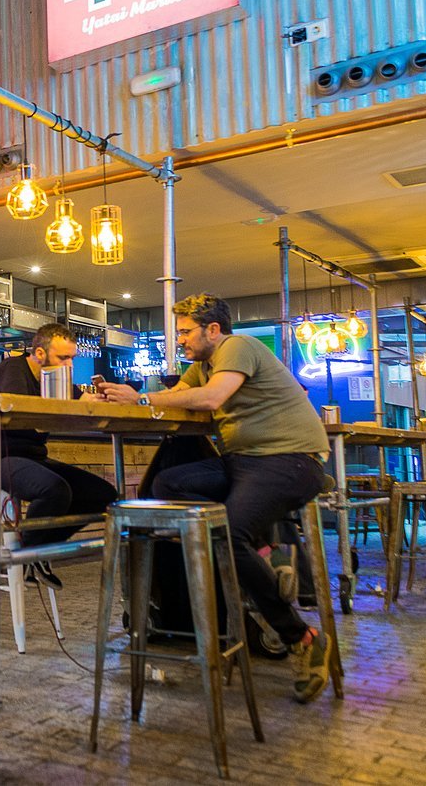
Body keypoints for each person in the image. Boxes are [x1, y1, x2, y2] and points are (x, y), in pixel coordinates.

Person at [99, 293, 332, 703]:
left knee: (229, 534)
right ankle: (267, 553)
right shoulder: (202, 366)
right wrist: (118, 396)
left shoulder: (237, 346)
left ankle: (301, 636)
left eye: (185, 332)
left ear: (212, 329)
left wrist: (142, 399)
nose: (180, 340)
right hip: (243, 462)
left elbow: (210, 399)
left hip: (291, 459)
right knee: (168, 484)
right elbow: (180, 396)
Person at [0, 323, 118, 590]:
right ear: (39, 354)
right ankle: (27, 555)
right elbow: (24, 413)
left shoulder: (56, 379)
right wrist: (75, 407)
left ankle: (40, 549)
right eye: (63, 357)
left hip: (30, 458)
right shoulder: (14, 370)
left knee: (103, 495)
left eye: (72, 358)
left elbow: (82, 401)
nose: (69, 365)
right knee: (55, 490)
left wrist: (101, 399)